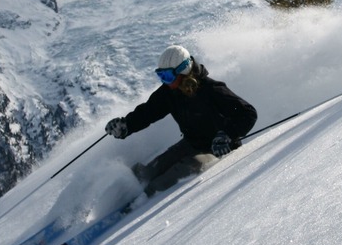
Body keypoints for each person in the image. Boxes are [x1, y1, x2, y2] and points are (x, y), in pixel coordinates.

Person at [106, 45, 257, 195]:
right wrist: (126, 125)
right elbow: (148, 112)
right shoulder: (169, 92)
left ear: (183, 71)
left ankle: (143, 204)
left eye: (168, 76)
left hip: (217, 149)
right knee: (147, 174)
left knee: (163, 183)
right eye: (161, 76)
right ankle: (124, 198)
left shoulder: (211, 89)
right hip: (191, 144)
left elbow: (248, 113)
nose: (165, 81)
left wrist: (227, 135)